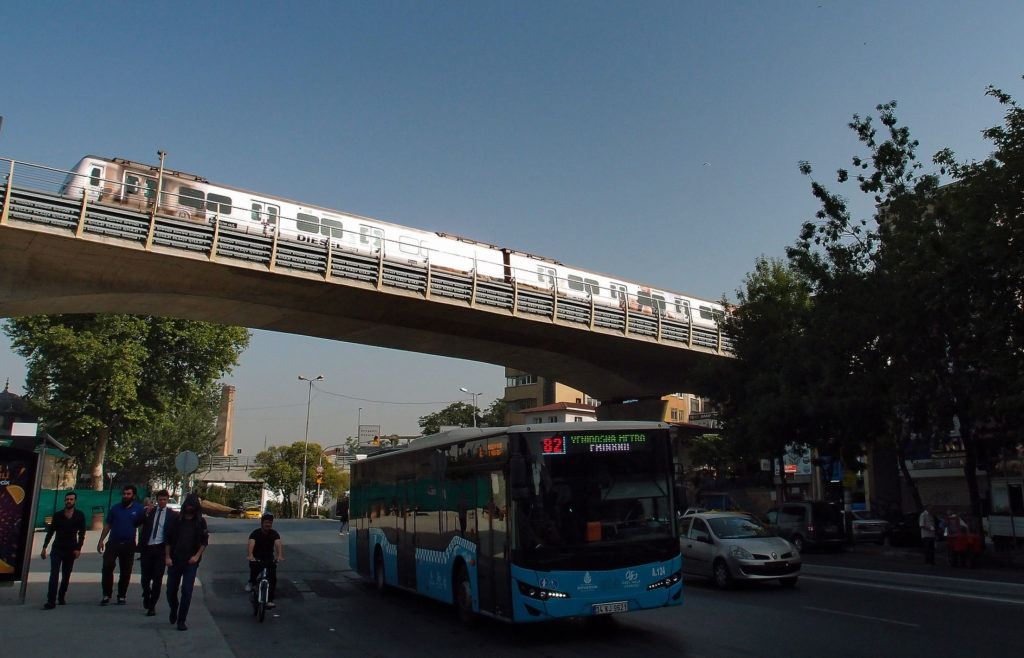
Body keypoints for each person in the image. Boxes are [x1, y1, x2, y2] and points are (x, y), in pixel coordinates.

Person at [164, 493, 209, 631]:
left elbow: (204, 541)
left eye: (192, 506)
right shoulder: (176, 520)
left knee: (187, 591)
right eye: (188, 505)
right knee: (171, 590)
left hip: (191, 562)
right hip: (175, 560)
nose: (190, 508)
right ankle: (174, 609)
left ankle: (181, 620)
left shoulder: (200, 522)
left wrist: (196, 556)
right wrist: (167, 557)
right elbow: (168, 540)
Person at [97, 484, 146, 605]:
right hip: (113, 543)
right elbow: (108, 525)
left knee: (126, 571)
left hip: (129, 544)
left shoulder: (138, 509)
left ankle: (122, 595)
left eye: (128, 494)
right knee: (107, 566)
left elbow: (143, 526)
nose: (125, 496)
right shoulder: (115, 508)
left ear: (133, 496)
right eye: (124, 494)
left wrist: (143, 543)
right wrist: (101, 540)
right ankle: (106, 594)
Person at [40, 491, 87, 609]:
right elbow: (50, 532)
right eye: (67, 499)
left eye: (71, 499)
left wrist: (78, 548)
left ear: (75, 501)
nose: (69, 501)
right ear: (64, 501)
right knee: (54, 574)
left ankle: (61, 596)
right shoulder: (58, 515)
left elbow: (82, 534)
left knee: (66, 575)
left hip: (71, 549)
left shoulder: (79, 515)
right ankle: (50, 600)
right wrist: (44, 547)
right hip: (57, 548)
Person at [138, 489, 177, 616]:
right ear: (157, 499)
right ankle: (146, 593)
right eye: (160, 499)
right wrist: (145, 513)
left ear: (167, 500)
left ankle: (152, 605)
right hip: (148, 548)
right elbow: (136, 523)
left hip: (161, 549)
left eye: (165, 500)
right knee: (145, 577)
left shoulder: (171, 515)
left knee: (157, 578)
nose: (162, 502)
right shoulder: (150, 512)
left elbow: (174, 534)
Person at [247, 513, 284, 609]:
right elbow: (251, 543)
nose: (268, 525)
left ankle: (270, 600)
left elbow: (278, 544)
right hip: (257, 558)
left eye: (270, 523)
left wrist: (279, 556)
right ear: (262, 523)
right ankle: (251, 582)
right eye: (266, 522)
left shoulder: (274, 533)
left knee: (272, 579)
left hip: (269, 559)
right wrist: (250, 555)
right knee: (254, 570)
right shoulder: (255, 533)